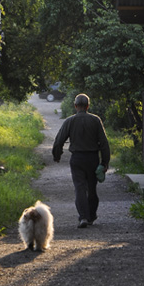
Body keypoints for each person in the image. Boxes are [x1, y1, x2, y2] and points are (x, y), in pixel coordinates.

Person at [52, 93, 110, 228]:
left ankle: (83, 217)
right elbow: (104, 143)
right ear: (88, 106)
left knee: (79, 188)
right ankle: (91, 215)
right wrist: (104, 162)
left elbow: (59, 140)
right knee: (92, 188)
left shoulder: (70, 121)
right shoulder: (95, 120)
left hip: (77, 159)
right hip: (92, 158)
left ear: (75, 106)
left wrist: (57, 155)